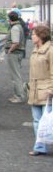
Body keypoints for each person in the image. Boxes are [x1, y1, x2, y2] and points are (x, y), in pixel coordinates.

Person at [28, 23, 53, 156]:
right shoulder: (35, 50)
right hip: (35, 89)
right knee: (37, 120)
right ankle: (39, 146)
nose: (32, 37)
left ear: (40, 36)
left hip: (46, 90)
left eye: (34, 34)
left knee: (47, 120)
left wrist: (51, 88)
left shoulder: (50, 51)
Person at [6, 10, 28, 103]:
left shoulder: (15, 28)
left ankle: (20, 96)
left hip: (15, 53)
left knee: (15, 76)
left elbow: (15, 42)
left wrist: (10, 51)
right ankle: (17, 95)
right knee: (16, 75)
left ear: (10, 19)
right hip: (19, 52)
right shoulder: (19, 26)